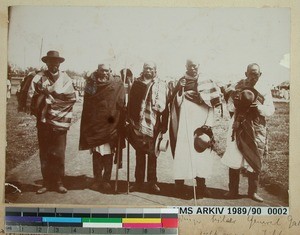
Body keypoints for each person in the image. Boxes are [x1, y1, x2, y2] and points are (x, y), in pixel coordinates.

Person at [221, 63, 275, 202]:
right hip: (238, 125)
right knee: (235, 156)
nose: (253, 76)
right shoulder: (237, 86)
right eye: (251, 73)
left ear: (260, 74)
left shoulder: (264, 89)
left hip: (256, 127)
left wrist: (259, 107)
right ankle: (232, 190)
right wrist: (237, 103)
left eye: (256, 73)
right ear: (246, 74)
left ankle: (253, 192)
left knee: (254, 156)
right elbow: (230, 107)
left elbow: (271, 110)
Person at [169, 59, 222, 199]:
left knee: (201, 153)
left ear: (199, 66)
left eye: (195, 65)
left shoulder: (207, 81)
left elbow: (212, 104)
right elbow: (174, 100)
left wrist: (208, 123)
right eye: (190, 66)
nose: (193, 68)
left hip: (201, 124)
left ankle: (201, 186)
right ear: (185, 66)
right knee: (183, 152)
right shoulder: (182, 81)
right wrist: (180, 92)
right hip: (185, 125)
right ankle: (179, 185)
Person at [27, 50, 76, 194]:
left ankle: (59, 182)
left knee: (59, 153)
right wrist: (44, 96)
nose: (53, 64)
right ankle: (46, 183)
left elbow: (71, 98)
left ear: (59, 63)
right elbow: (32, 97)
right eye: (50, 62)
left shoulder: (66, 79)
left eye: (56, 62)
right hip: (44, 122)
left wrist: (54, 99)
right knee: (45, 152)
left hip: (60, 121)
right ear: (46, 63)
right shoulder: (38, 78)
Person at [79, 64, 125, 193]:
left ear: (110, 71)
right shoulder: (91, 83)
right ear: (97, 71)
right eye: (102, 71)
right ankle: (97, 179)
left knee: (108, 153)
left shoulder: (116, 83)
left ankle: (106, 180)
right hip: (95, 123)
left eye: (107, 71)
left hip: (110, 124)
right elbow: (88, 102)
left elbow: (121, 101)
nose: (104, 73)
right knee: (97, 153)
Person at [127, 62, 168, 193]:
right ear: (143, 70)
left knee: (152, 154)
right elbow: (131, 102)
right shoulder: (137, 83)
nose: (148, 70)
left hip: (154, 123)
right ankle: (138, 182)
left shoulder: (161, 85)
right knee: (139, 153)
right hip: (138, 123)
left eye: (151, 68)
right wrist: (130, 119)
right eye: (146, 68)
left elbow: (165, 106)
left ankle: (152, 183)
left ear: (155, 70)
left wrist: (164, 125)